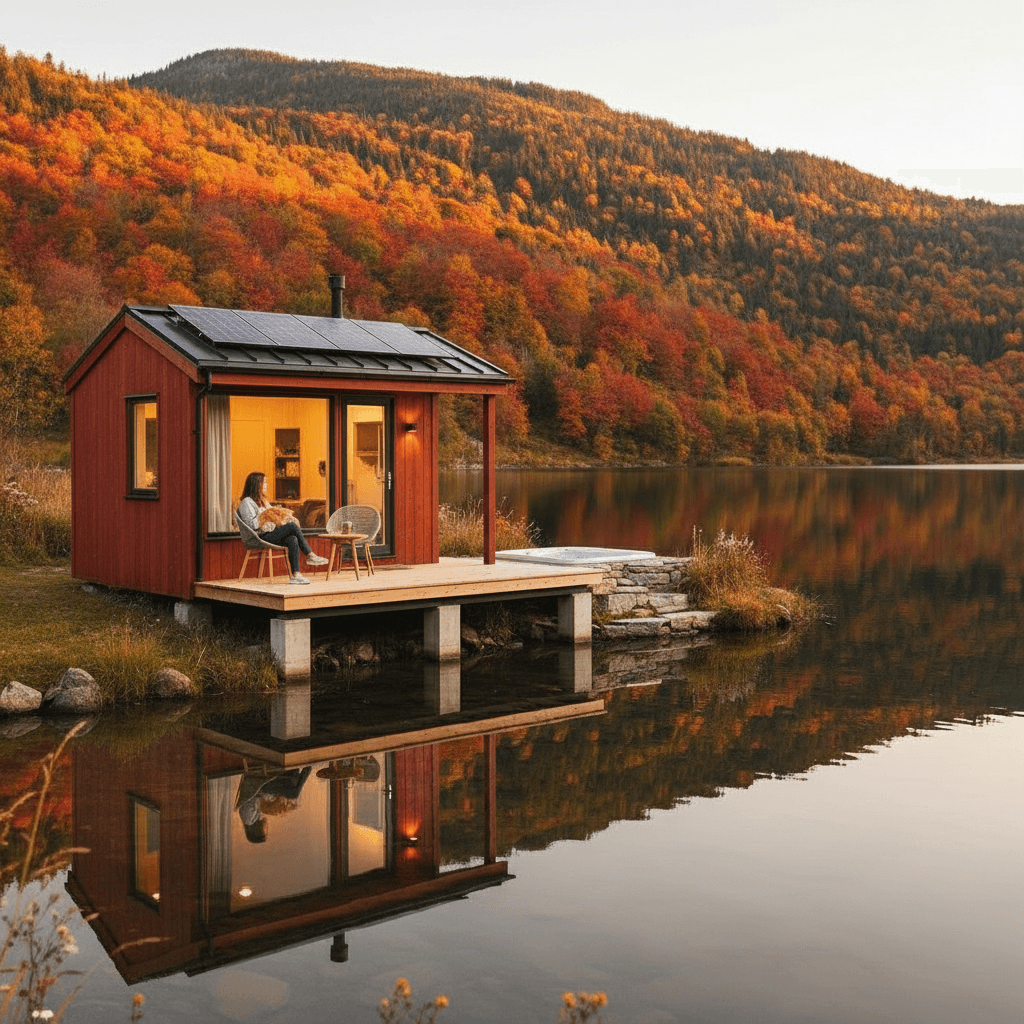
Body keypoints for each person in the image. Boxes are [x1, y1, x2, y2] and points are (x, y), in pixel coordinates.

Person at [237, 471, 328, 585]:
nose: (266, 485)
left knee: (292, 538)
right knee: (292, 527)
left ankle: (296, 575)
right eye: (264, 482)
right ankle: (309, 555)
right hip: (259, 536)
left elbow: (273, 519)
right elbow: (251, 525)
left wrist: (280, 515)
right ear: (256, 484)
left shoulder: (263, 501)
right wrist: (264, 516)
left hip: (270, 532)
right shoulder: (247, 502)